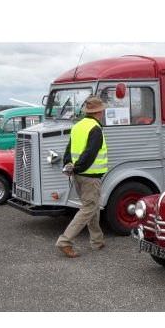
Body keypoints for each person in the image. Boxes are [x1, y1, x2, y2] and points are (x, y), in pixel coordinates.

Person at [55, 96, 109, 258]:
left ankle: (97, 241)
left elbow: (68, 149)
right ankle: (65, 241)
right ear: (99, 112)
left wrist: (70, 166)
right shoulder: (95, 129)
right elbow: (90, 153)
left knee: (92, 206)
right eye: (102, 111)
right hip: (90, 176)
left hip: (78, 175)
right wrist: (79, 167)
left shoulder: (78, 126)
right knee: (89, 208)